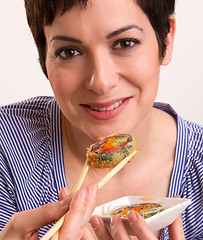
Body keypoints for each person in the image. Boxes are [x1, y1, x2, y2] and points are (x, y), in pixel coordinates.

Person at [0, 0, 202, 239]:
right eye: (69, 52)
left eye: (125, 43)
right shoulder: (7, 148)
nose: (101, 82)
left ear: (166, 39)